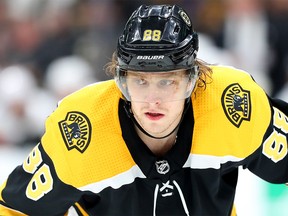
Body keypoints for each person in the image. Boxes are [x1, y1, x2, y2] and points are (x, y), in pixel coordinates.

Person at [0, 4, 288, 216]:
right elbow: (14, 210)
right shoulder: (81, 133)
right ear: (121, 82)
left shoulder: (232, 106)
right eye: (140, 81)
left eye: (167, 81)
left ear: (192, 80)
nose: (153, 99)